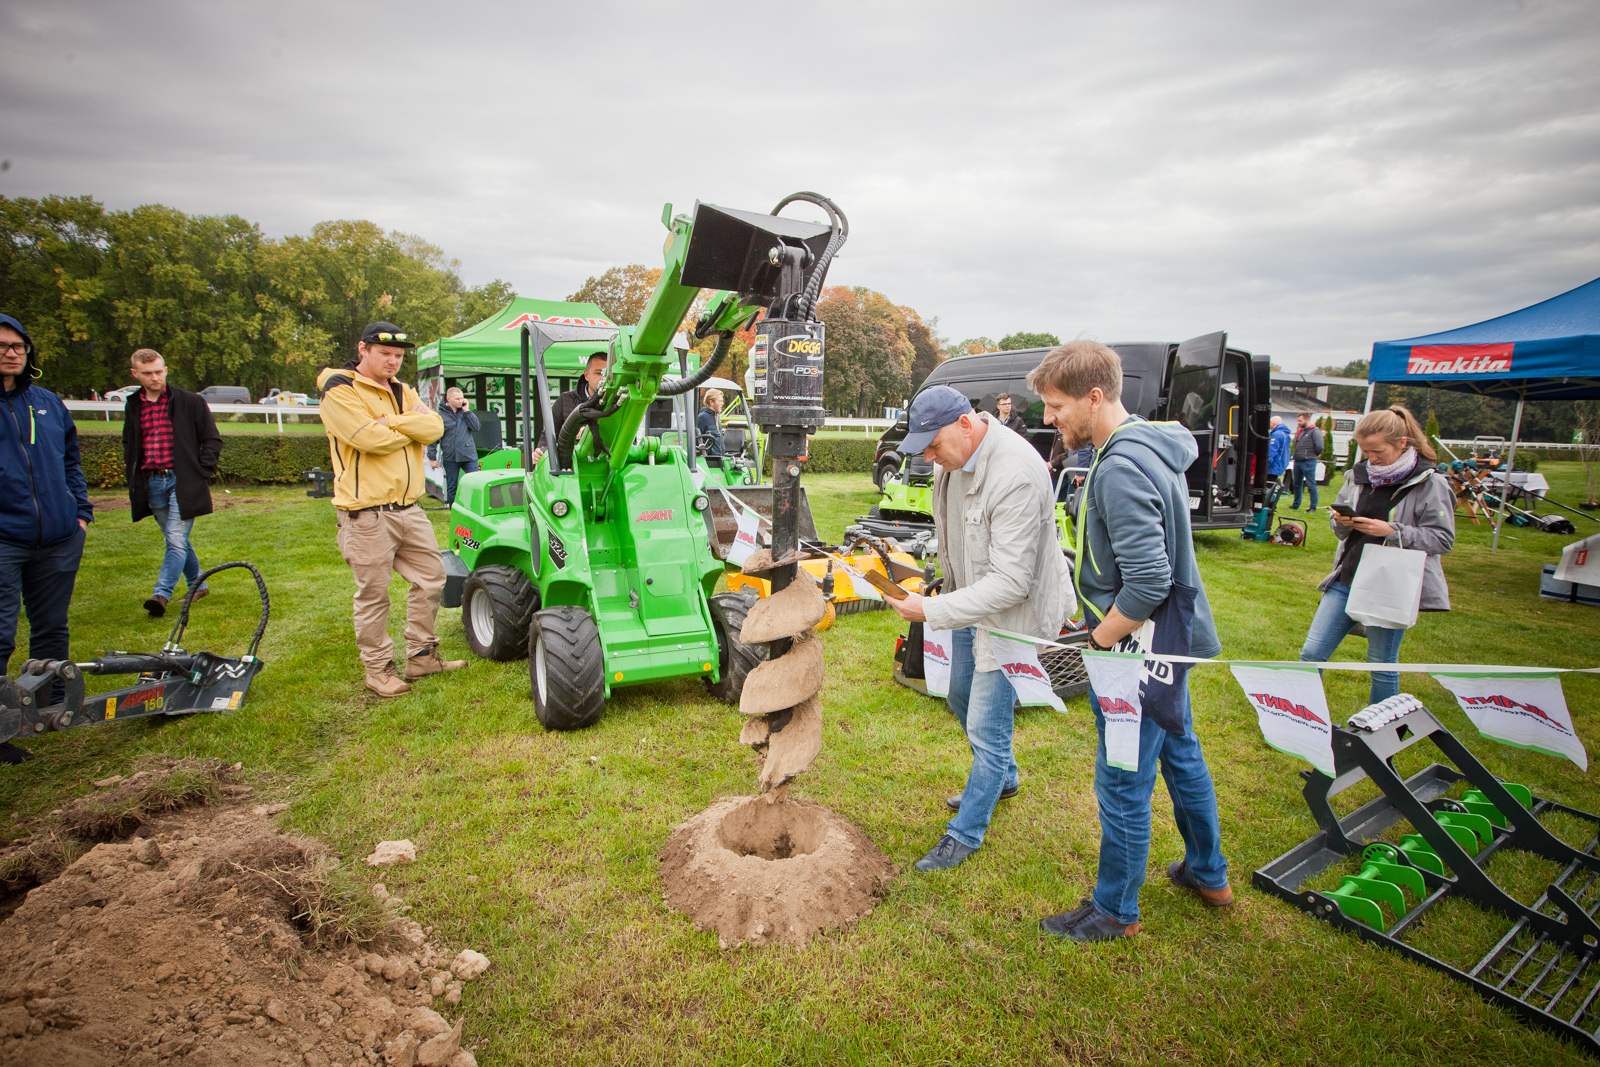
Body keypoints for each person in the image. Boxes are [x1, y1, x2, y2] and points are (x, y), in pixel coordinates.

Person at [1030, 340, 1230, 942]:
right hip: (1171, 640)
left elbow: (1148, 582)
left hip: (1138, 649)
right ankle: (1208, 872)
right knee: (1180, 750)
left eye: (1057, 405)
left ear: (1095, 397)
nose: (1049, 419)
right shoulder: (1146, 444)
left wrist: (1097, 638)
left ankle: (1115, 910)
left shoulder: (1118, 467)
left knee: (1123, 776)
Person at [886, 385, 1074, 873]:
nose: (929, 456)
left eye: (934, 445)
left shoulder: (1014, 474)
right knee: (958, 693)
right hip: (971, 600)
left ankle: (965, 833)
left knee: (986, 726)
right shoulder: (955, 461)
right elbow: (956, 531)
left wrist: (927, 612)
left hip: (1013, 614)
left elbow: (1011, 583)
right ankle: (1005, 777)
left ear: (966, 424)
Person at [317, 322, 464, 698]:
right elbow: (368, 438)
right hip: (366, 513)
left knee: (432, 578)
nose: (393, 362)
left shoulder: (402, 389)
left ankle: (421, 656)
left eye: (398, 356)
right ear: (363, 349)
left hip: (409, 508)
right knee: (374, 593)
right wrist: (404, 429)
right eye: (385, 354)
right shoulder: (340, 389)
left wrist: (393, 422)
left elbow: (433, 428)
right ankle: (378, 669)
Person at [1299, 407, 1454, 705]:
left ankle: (1382, 728)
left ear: (1403, 443)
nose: (1371, 458)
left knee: (1381, 663)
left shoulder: (1431, 483)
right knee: (1311, 654)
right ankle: (1306, 721)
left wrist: (1391, 530)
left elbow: (1442, 539)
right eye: (1366, 451)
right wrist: (1340, 522)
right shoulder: (1356, 476)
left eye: (1378, 451)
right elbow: (1341, 530)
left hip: (1391, 585)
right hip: (1346, 577)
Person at [0, 314, 92, 763]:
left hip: (58, 537)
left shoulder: (47, 404)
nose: (10, 352)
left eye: (17, 345)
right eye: (2, 345)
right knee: (1, 633)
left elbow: (70, 461)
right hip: (5, 538)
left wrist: (80, 513)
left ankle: (50, 706)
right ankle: (1, 727)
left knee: (51, 626)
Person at [122, 349, 224, 617]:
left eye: (159, 371)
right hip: (152, 481)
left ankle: (161, 594)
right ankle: (197, 584)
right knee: (175, 539)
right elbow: (129, 442)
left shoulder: (190, 401)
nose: (155, 377)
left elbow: (212, 439)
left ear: (166, 369)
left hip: (184, 480)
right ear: (135, 374)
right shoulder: (133, 405)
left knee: (176, 539)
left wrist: (201, 471)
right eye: (147, 373)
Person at [533, 352, 607, 465]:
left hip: (606, 466)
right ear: (587, 375)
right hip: (570, 468)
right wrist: (541, 451)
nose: (603, 379)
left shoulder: (617, 404)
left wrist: (586, 431)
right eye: (598, 373)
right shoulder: (565, 400)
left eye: (607, 374)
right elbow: (549, 435)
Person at [427, 387, 480, 506]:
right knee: (452, 487)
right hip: (451, 456)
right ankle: (453, 511)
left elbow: (476, 427)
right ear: (448, 398)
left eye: (462, 398)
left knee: (475, 483)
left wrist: (467, 411)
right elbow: (433, 437)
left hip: (469, 455)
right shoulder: (440, 415)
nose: (460, 401)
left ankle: (474, 510)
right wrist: (432, 458)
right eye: (457, 399)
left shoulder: (466, 412)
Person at [1290, 412, 1324, 511]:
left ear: (1307, 419)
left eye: (1300, 421)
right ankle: (1296, 504)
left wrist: (1313, 455)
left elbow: (1320, 446)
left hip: (1308, 461)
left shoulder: (1315, 431)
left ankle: (1313, 507)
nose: (1299, 423)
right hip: (1298, 461)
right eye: (1298, 421)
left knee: (1311, 484)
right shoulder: (1301, 431)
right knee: (1296, 484)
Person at [697, 388, 725, 460]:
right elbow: (697, 439)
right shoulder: (702, 418)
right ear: (711, 402)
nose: (722, 403)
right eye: (720, 401)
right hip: (709, 460)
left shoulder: (716, 417)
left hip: (720, 458)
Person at [1267, 415, 1291, 487]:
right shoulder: (1285, 434)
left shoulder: (1276, 434)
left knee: (1268, 487)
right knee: (1271, 486)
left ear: (1273, 423)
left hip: (1273, 466)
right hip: (1279, 464)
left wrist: (1266, 463)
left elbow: (1272, 450)